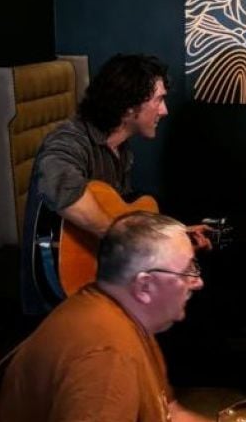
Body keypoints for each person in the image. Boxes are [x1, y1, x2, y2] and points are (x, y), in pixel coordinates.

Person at [0, 212, 216, 422]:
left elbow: (166, 413)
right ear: (144, 285)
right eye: (187, 271)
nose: (197, 282)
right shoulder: (106, 352)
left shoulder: (120, 313)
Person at [21, 53, 210, 314]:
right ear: (129, 106)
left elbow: (117, 212)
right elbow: (61, 187)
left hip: (101, 288)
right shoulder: (69, 140)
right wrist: (135, 241)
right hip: (57, 300)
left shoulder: (121, 150)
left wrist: (170, 236)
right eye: (159, 100)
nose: (164, 110)